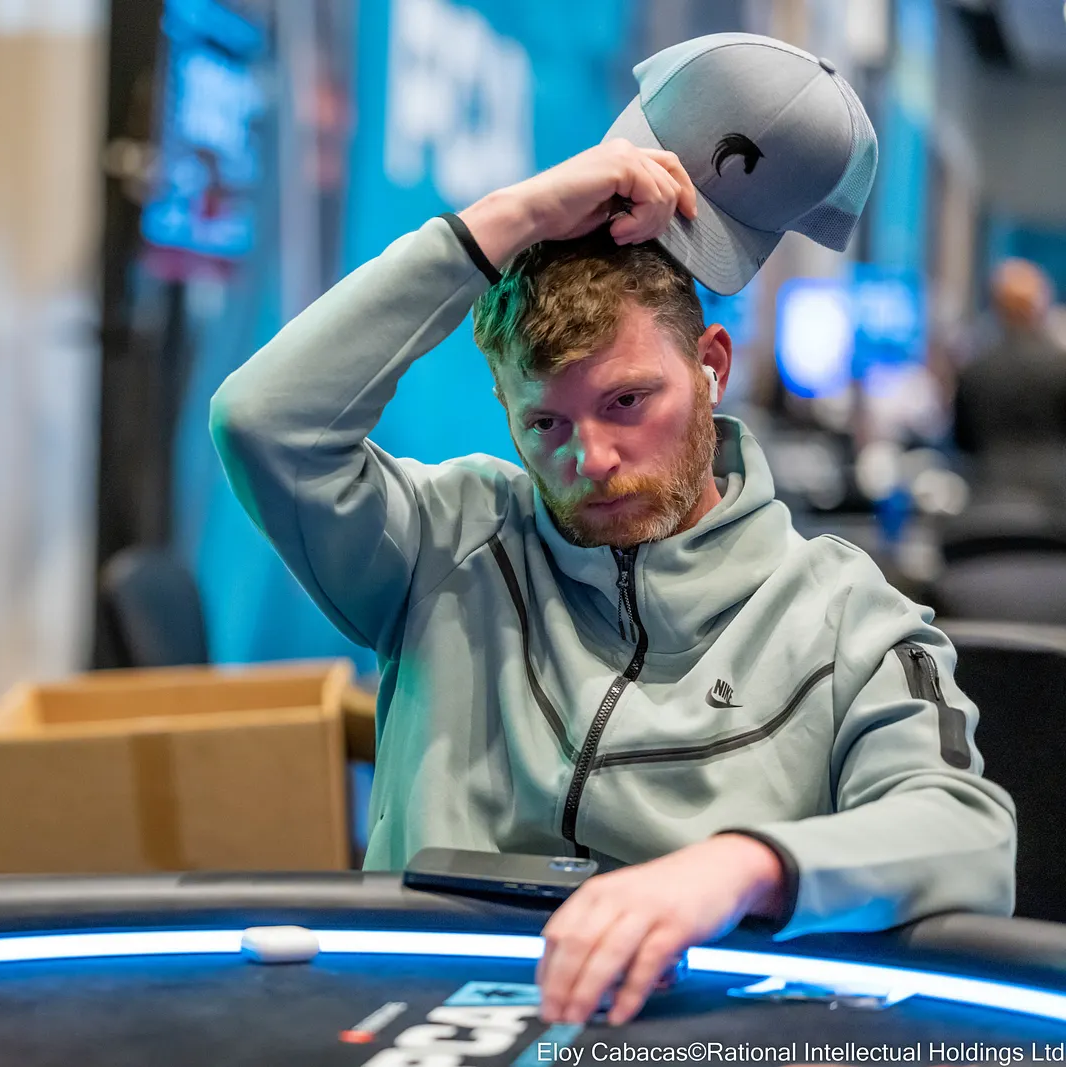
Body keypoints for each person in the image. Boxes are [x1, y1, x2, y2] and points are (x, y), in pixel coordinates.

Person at [211, 33, 1015, 1027]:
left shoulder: (847, 615)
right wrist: (507, 219)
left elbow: (967, 833)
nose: (587, 458)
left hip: (686, 1033)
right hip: (408, 1020)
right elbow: (261, 422)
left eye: (628, 401)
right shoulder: (444, 541)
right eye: (544, 423)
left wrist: (743, 865)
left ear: (711, 366)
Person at [951, 257, 1066, 509]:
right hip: (1055, 499)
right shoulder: (1061, 365)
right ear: (1041, 304)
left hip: (989, 493)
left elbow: (961, 439)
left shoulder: (976, 369)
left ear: (997, 306)